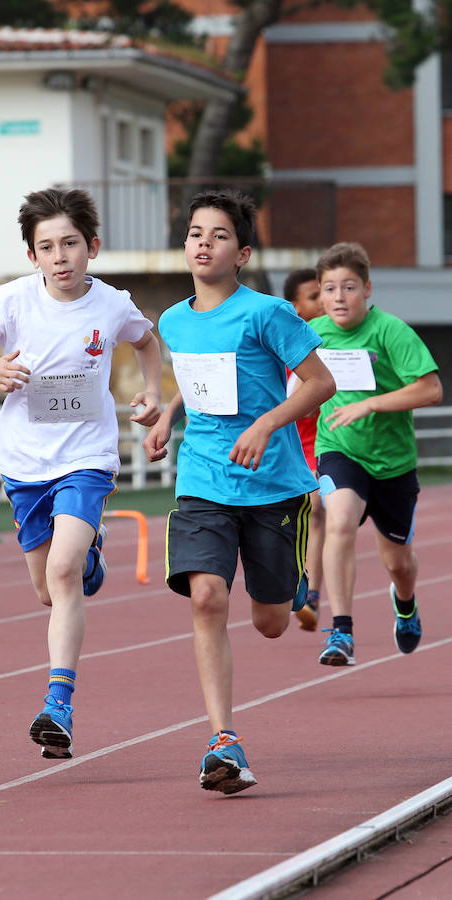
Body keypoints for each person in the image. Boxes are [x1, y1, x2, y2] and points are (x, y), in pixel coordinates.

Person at [0, 187, 162, 759]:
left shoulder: (112, 305)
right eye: (48, 246)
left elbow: (148, 342)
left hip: (86, 457)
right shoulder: (12, 302)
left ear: (92, 247)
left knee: (64, 572)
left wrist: (152, 395)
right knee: (48, 589)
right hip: (24, 463)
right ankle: (91, 555)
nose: (61, 255)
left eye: (71, 243)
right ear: (32, 256)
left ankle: (58, 703)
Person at [143, 189, 335, 794]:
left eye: (218, 234)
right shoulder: (173, 320)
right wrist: (167, 414)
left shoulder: (268, 314)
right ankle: (223, 740)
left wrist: (266, 422)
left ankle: (295, 589)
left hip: (273, 485)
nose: (203, 242)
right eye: (195, 233)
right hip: (203, 477)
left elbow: (320, 382)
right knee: (206, 598)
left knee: (273, 622)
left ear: (243, 251)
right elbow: (195, 380)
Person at [312, 241, 442, 667]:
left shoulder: (391, 331)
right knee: (340, 521)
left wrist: (370, 402)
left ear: (367, 289)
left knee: (398, 564)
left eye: (348, 287)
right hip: (339, 449)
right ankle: (342, 632)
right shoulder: (312, 333)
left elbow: (430, 389)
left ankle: (405, 603)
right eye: (329, 288)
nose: (338, 297)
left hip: (392, 462)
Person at [283, 268, 325, 631]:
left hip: (319, 446)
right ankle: (294, 580)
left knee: (317, 507)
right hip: (281, 444)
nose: (325, 302)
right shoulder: (280, 347)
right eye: (315, 297)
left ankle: (311, 591)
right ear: (295, 307)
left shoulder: (338, 347)